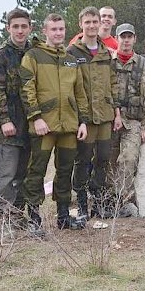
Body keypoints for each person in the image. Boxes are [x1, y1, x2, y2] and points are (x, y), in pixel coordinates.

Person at [20, 13, 90, 235]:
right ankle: (33, 217)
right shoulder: (33, 56)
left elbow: (80, 92)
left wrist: (83, 121)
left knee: (65, 170)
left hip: (69, 126)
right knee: (36, 170)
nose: (58, 33)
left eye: (61, 29)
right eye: (54, 29)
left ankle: (62, 216)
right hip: (44, 126)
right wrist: (36, 117)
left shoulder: (71, 59)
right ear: (45, 31)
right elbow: (27, 89)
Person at [67, 6, 122, 219]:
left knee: (103, 159)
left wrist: (117, 114)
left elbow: (113, 84)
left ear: (100, 24)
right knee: (82, 160)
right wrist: (78, 118)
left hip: (106, 116)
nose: (91, 26)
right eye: (87, 22)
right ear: (80, 24)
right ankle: (81, 202)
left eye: (94, 22)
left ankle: (97, 200)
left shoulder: (106, 53)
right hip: (85, 119)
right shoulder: (72, 52)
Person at [0, 8, 33, 225]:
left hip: (30, 124)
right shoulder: (0, 55)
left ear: (30, 28)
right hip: (7, 126)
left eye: (24, 26)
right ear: (8, 28)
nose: (20, 30)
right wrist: (5, 120)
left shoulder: (34, 52)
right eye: (15, 26)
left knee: (23, 172)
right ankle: (5, 216)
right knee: (6, 173)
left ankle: (18, 213)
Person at [110, 23, 145, 216]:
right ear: (117, 38)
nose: (126, 40)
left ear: (135, 39)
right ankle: (105, 200)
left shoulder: (142, 63)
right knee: (107, 161)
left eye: (129, 37)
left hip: (133, 122)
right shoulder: (107, 61)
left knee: (128, 160)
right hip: (110, 120)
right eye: (122, 37)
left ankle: (124, 201)